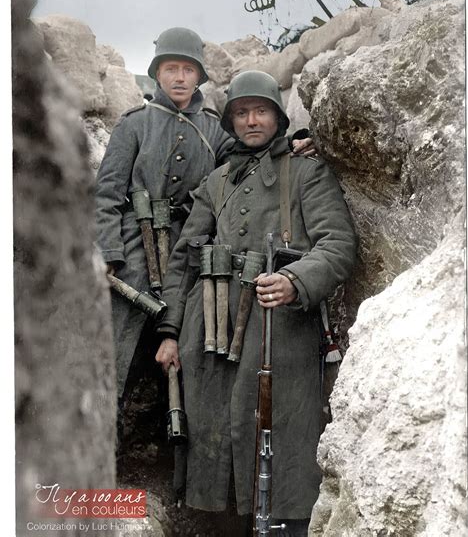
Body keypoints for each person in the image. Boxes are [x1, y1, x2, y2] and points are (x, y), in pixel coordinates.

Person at [155, 70, 357, 536]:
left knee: (282, 442)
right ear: (230, 122)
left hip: (279, 332)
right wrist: (169, 331)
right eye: (241, 113)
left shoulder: (307, 173)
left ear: (278, 118)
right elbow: (186, 260)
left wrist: (294, 279)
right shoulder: (216, 182)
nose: (251, 120)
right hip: (210, 333)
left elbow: (338, 245)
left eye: (260, 110)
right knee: (210, 436)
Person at [94, 28, 316, 421]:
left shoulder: (214, 128)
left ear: (200, 77)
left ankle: (165, 442)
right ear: (157, 74)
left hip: (186, 246)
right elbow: (107, 194)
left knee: (184, 337)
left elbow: (254, 149)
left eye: (187, 70)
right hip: (133, 247)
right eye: (170, 69)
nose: (179, 78)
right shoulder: (135, 124)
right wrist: (109, 253)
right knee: (116, 346)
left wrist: (294, 140)